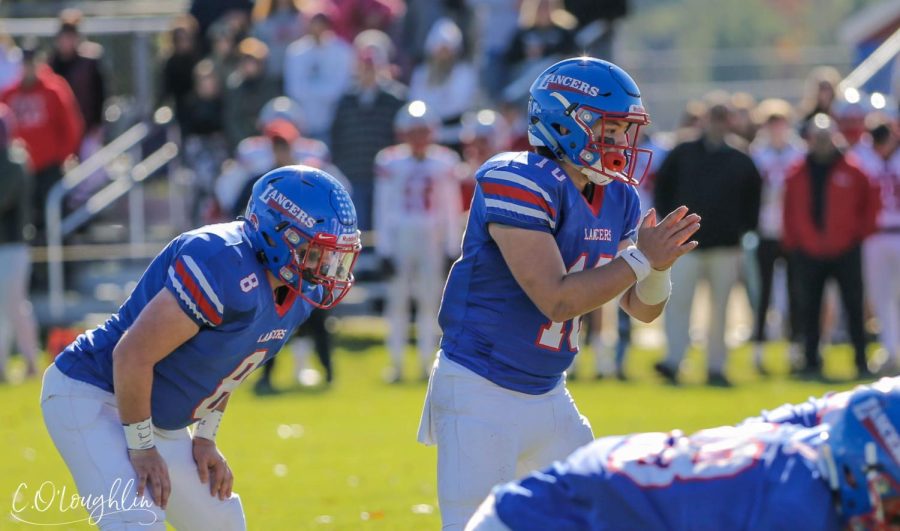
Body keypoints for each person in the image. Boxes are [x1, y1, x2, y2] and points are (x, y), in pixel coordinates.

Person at [417, 56, 701, 529]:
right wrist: (639, 260)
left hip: (549, 393)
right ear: (566, 121)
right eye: (609, 128)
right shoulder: (516, 178)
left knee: (602, 516)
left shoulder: (618, 195)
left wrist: (657, 269)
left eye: (623, 130)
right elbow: (557, 298)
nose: (620, 142)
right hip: (482, 388)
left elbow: (641, 308)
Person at [40, 166, 361, 529]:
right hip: (94, 394)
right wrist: (142, 447)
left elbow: (229, 364)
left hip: (154, 415)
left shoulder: (300, 295)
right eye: (315, 251)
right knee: (135, 520)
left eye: (333, 256)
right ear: (278, 233)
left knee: (221, 523)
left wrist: (206, 437)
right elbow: (131, 355)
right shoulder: (220, 261)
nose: (326, 267)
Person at [467, 376, 900, 531]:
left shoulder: (799, 452)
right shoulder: (797, 509)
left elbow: (825, 411)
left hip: (533, 507)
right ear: (862, 470)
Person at [653, 98, 762, 387]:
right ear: (705, 120)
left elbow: (754, 200)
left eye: (721, 117)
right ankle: (674, 360)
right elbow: (661, 188)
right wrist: (671, 227)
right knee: (678, 304)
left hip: (725, 245)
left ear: (729, 122)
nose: (717, 123)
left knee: (721, 309)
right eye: (713, 117)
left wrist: (743, 231)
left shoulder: (740, 157)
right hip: (684, 244)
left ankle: (716, 366)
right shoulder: (683, 151)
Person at [783, 114, 879, 379]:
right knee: (809, 308)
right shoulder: (797, 171)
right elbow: (789, 210)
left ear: (834, 137)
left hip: (846, 249)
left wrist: (858, 235)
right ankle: (811, 360)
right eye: (817, 137)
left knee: (853, 306)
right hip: (809, 250)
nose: (822, 143)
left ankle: (861, 360)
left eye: (826, 137)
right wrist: (795, 242)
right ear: (810, 139)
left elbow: (870, 204)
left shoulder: (853, 169)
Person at [375, 101, 462, 383]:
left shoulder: (444, 161)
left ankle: (428, 362)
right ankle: (396, 363)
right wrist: (384, 248)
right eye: (413, 132)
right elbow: (383, 206)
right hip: (401, 235)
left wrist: (452, 245)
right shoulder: (390, 161)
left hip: (432, 236)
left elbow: (451, 206)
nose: (418, 139)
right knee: (397, 300)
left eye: (422, 132)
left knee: (430, 302)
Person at [0, 39, 83, 241]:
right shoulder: (9, 93)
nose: (28, 68)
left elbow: (72, 126)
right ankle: (34, 272)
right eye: (25, 63)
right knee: (24, 224)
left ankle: (60, 270)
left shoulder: (54, 89)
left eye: (32, 62)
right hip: (20, 173)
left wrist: (62, 157)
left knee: (53, 222)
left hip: (49, 169)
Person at [748, 99, 806, 374]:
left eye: (780, 123)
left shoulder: (799, 153)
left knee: (796, 291)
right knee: (764, 293)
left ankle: (795, 348)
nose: (777, 129)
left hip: (793, 231)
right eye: (772, 123)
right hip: (766, 229)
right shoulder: (757, 154)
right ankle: (758, 349)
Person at [0, 104, 40, 382]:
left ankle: (30, 361)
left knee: (14, 306)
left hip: (13, 246)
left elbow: (3, 199)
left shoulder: (14, 160)